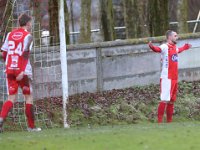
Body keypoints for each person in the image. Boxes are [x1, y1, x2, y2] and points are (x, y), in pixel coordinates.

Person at [0, 13, 41, 132]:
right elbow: (25, 54)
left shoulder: (10, 34)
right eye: (31, 22)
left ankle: (1, 119)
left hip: (9, 70)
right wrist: (22, 71)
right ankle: (31, 127)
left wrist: (8, 64)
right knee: (28, 97)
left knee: (11, 97)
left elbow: (4, 52)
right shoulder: (28, 36)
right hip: (22, 72)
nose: (31, 24)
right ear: (28, 23)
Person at [148, 30, 192, 123]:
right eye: (175, 36)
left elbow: (178, 50)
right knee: (164, 99)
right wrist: (152, 47)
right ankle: (159, 122)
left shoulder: (174, 47)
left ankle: (169, 122)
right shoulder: (165, 46)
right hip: (166, 77)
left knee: (172, 100)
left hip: (174, 78)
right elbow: (157, 49)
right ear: (169, 37)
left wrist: (185, 47)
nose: (177, 37)